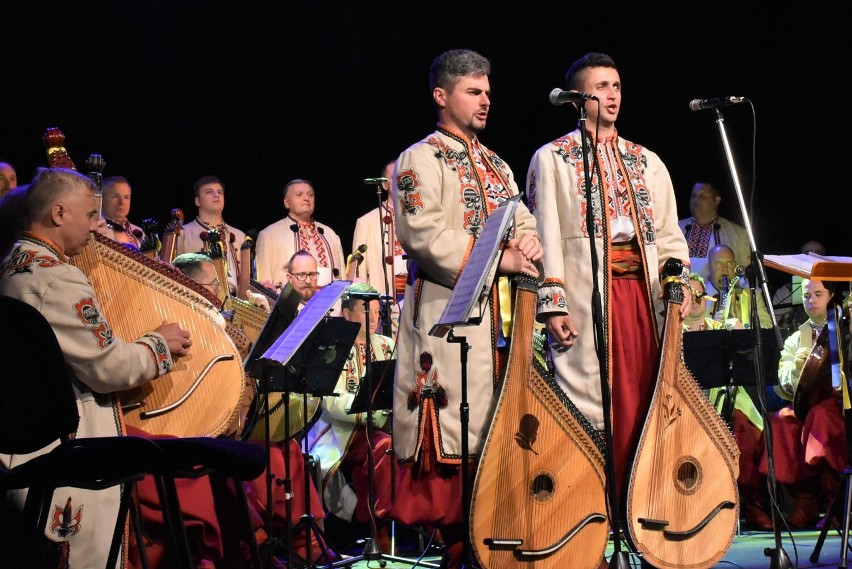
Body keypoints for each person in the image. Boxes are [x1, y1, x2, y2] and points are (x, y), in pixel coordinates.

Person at [391, 48, 542, 568]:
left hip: (500, 324)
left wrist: (532, 243)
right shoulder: (420, 159)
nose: (486, 100)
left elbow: (520, 217)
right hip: (444, 319)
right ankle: (460, 549)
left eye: (487, 92)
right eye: (474, 92)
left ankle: (492, 542)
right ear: (442, 96)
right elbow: (425, 235)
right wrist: (504, 258)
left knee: (496, 431)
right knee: (456, 432)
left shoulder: (497, 164)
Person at [526, 52, 692, 520]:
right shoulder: (553, 159)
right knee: (594, 404)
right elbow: (546, 234)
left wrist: (677, 286)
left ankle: (648, 509)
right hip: (586, 295)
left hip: (642, 299)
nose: (613, 94)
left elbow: (669, 237)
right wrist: (553, 303)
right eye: (601, 86)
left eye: (617, 85)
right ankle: (596, 514)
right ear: (579, 97)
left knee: (645, 397)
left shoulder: (647, 161)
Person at [0, 167, 190, 568]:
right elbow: (108, 366)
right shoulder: (55, 278)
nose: (96, 226)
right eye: (89, 215)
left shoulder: (15, 265)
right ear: (58, 213)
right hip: (59, 448)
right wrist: (160, 343)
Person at [306, 283, 396, 546]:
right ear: (345, 314)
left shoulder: (387, 345)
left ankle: (417, 521)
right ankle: (376, 524)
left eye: (378, 312)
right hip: (340, 431)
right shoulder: (332, 347)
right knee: (382, 449)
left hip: (384, 425)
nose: (374, 318)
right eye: (366, 311)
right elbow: (330, 402)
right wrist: (375, 414)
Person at [255, 179, 345, 291]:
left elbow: (342, 279)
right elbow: (263, 284)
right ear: (286, 202)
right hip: (290, 306)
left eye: (310, 195)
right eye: (299, 194)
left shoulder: (330, 234)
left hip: (331, 305)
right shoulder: (269, 235)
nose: (306, 198)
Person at [351, 159, 408, 335]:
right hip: (384, 301)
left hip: (414, 295)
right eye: (395, 177)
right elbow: (358, 273)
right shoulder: (366, 222)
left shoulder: (419, 217)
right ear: (384, 185)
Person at [177, 175, 249, 299]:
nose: (216, 195)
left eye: (220, 192)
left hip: (236, 305)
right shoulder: (183, 234)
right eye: (209, 192)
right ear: (197, 201)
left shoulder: (239, 236)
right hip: (197, 301)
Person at [678, 181, 750, 281]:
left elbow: (746, 275)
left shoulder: (738, 234)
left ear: (716, 201)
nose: (696, 199)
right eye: (693, 195)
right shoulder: (676, 228)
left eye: (702, 196)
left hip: (719, 294)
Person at [706, 244, 772, 329]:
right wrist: (712, 326)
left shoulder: (752, 293)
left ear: (735, 265)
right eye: (718, 263)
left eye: (729, 263)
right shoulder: (698, 295)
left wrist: (742, 326)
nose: (724, 268)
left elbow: (768, 325)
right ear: (709, 267)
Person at [98, 175, 145, 249]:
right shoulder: (95, 229)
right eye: (116, 197)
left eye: (126, 197)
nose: (122, 202)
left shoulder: (139, 232)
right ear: (102, 199)